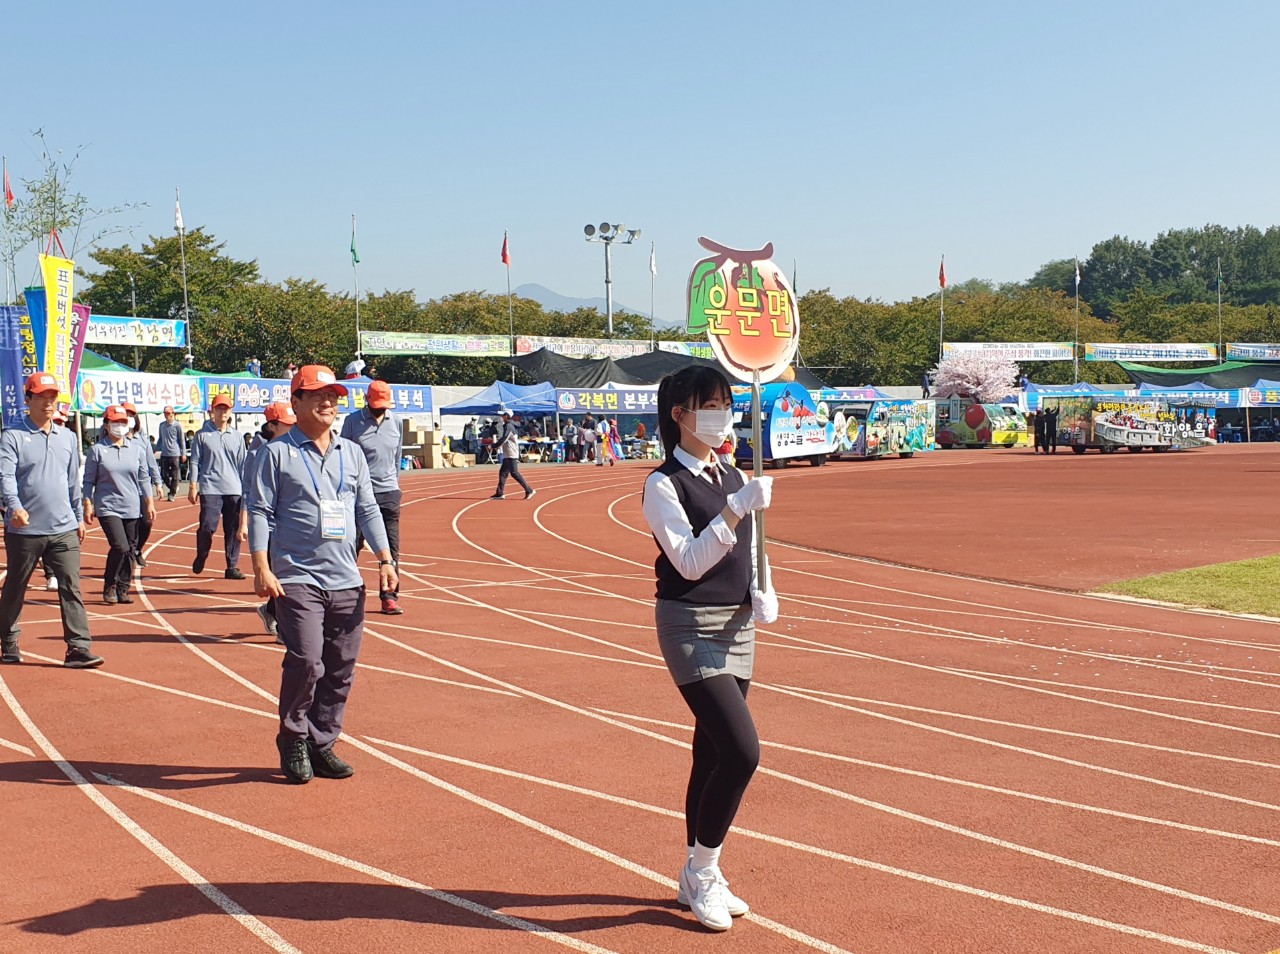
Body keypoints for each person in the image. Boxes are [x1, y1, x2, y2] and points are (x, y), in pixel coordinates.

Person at [641, 365, 777, 932]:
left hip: (738, 625)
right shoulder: (663, 485)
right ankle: (702, 870)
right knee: (743, 752)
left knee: (712, 754)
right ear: (681, 415)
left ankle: (696, 872)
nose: (723, 415)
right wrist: (736, 507)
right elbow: (690, 561)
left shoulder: (733, 474)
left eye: (726, 404)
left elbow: (751, 548)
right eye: (711, 406)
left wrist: (765, 587)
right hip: (691, 625)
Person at [245, 364, 396, 785]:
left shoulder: (352, 453)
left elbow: (367, 508)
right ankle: (293, 737)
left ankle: (321, 741)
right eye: (317, 395)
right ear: (296, 402)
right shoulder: (276, 453)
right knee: (307, 661)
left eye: (333, 396)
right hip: (297, 576)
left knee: (340, 667)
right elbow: (259, 511)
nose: (328, 402)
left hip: (346, 578)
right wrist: (261, 567)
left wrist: (385, 559)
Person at [0, 373, 102, 669]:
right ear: (28, 399)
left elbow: (72, 483)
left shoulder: (67, 437)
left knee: (71, 586)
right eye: (42, 397)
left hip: (63, 529)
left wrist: (78, 516)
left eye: (52, 397)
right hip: (25, 530)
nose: (48, 402)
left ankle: (78, 647)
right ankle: (9, 638)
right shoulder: (12, 436)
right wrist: (14, 506)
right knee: (16, 586)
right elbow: (6, 476)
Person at [340, 380, 404, 614]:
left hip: (388, 493)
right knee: (350, 544)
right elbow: (343, 456)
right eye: (376, 404)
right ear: (367, 400)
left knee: (391, 549)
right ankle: (343, 593)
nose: (380, 409)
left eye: (383, 405)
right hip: (359, 495)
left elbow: (397, 457)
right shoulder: (352, 422)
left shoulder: (396, 422)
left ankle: (389, 596)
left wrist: (394, 484)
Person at [84, 405, 155, 605]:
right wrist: (87, 502)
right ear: (106, 425)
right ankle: (110, 585)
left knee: (131, 549)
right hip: (108, 506)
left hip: (131, 506)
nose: (119, 426)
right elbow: (88, 480)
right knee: (120, 546)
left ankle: (123, 588)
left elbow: (143, 478)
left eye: (123, 422)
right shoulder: (97, 450)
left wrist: (149, 502)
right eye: (115, 422)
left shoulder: (136, 449)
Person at [240, 402, 296, 641]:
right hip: (270, 526)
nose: (293, 428)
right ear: (272, 426)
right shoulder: (258, 454)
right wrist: (244, 522)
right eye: (287, 424)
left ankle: (271, 611)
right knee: (282, 576)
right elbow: (249, 492)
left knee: (289, 576)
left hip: (290, 524)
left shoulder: (294, 448)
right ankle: (284, 627)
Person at [188, 392, 248, 578]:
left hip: (234, 489)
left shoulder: (237, 437)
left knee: (233, 529)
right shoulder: (202, 435)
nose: (223, 412)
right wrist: (193, 486)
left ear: (231, 412)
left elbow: (242, 464)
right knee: (207, 526)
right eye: (219, 408)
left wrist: (245, 489)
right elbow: (195, 461)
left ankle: (232, 566)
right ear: (212, 411)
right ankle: (202, 553)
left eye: (226, 408)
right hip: (210, 488)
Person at [124, 402, 163, 568]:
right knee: (129, 525)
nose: (128, 418)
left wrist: (158, 483)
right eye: (125, 415)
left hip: (141, 489)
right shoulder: (114, 439)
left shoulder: (142, 440)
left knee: (147, 522)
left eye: (131, 415)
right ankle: (129, 554)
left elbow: (151, 463)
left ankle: (137, 550)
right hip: (124, 490)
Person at [490, 407, 534, 500]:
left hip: (511, 453)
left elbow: (504, 439)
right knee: (503, 473)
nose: (501, 417)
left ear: (507, 416)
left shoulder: (509, 426)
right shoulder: (508, 425)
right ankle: (500, 493)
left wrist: (493, 446)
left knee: (514, 473)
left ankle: (529, 490)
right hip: (508, 453)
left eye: (503, 415)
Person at [158, 406, 187, 502]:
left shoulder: (178, 426)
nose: (167, 415)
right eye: (165, 413)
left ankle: (172, 494)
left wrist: (183, 453)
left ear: (173, 414)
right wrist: (155, 449)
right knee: (164, 475)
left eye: (168, 413)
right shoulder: (162, 425)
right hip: (164, 453)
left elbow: (182, 440)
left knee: (175, 475)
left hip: (175, 453)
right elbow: (160, 439)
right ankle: (173, 487)